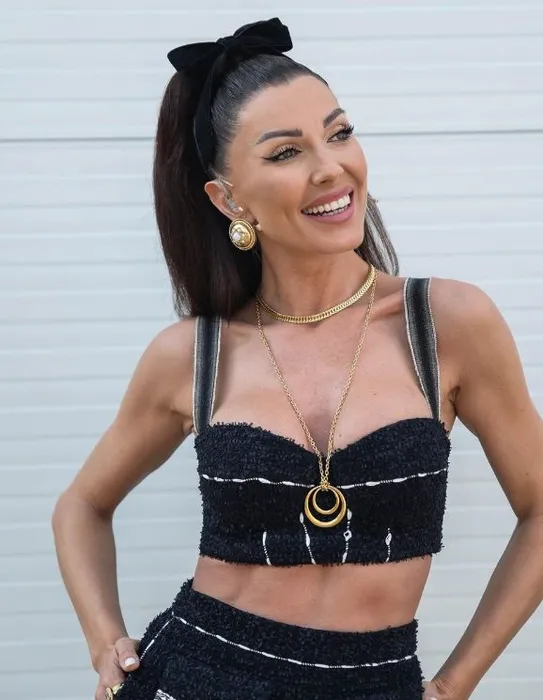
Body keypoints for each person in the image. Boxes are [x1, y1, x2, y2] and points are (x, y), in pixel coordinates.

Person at [52, 17, 543, 700]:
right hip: (193, 677)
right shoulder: (193, 355)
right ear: (229, 199)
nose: (330, 167)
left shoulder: (446, 325)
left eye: (338, 134)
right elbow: (81, 505)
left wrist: (455, 685)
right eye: (286, 152)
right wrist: (105, 643)